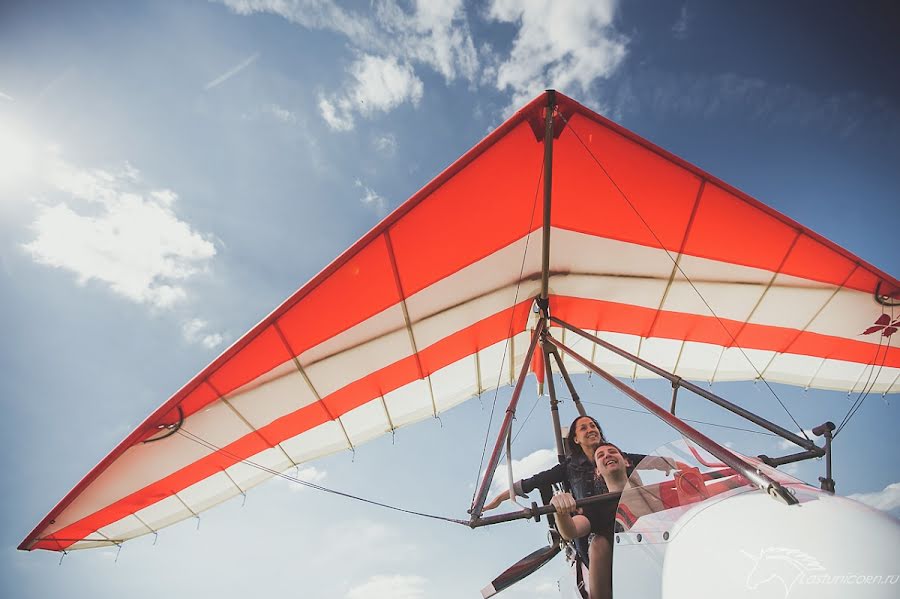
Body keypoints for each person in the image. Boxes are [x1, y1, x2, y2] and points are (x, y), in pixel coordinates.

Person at [481, 415, 647, 570]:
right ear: (576, 439)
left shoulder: (615, 456)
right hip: (591, 529)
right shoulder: (569, 467)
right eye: (583, 428)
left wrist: (672, 465)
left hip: (626, 522)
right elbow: (534, 481)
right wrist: (499, 498)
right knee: (598, 546)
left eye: (593, 426)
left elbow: (652, 461)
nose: (591, 429)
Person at [550, 443, 671, 599]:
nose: (607, 455)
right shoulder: (597, 507)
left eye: (612, 451)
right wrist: (561, 512)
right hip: (632, 580)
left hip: (669, 563)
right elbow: (570, 531)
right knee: (597, 543)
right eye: (600, 456)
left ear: (626, 462)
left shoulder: (654, 494)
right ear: (597, 472)